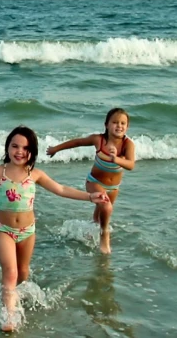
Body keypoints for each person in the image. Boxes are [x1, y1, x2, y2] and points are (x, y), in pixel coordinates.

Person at [0, 125, 108, 331]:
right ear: (7, 147)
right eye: (15, 146)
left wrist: (89, 197)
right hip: (4, 230)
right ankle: (9, 317)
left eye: (25, 148)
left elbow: (61, 189)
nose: (19, 151)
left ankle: (12, 296)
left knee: (23, 273)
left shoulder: (35, 174)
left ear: (32, 151)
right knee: (10, 272)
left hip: (28, 232)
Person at [46, 108, 135, 254]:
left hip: (114, 187)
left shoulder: (127, 145)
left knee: (100, 215)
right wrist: (56, 148)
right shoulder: (98, 140)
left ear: (127, 127)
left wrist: (116, 159)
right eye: (115, 122)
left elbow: (131, 165)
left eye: (123, 123)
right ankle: (104, 235)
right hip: (94, 182)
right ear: (106, 124)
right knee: (106, 207)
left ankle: (91, 234)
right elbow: (78, 142)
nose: (119, 126)